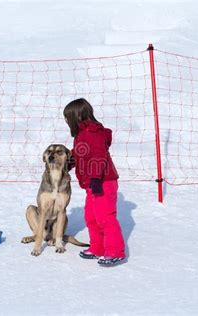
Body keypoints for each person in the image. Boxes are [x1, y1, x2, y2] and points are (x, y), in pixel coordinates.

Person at [63, 98, 126, 266]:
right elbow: (79, 154)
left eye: (68, 118)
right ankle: (98, 247)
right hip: (92, 184)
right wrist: (65, 164)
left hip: (103, 181)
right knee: (91, 217)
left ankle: (115, 251)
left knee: (105, 218)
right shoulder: (81, 135)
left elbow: (99, 155)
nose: (67, 122)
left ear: (77, 117)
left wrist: (96, 178)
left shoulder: (94, 133)